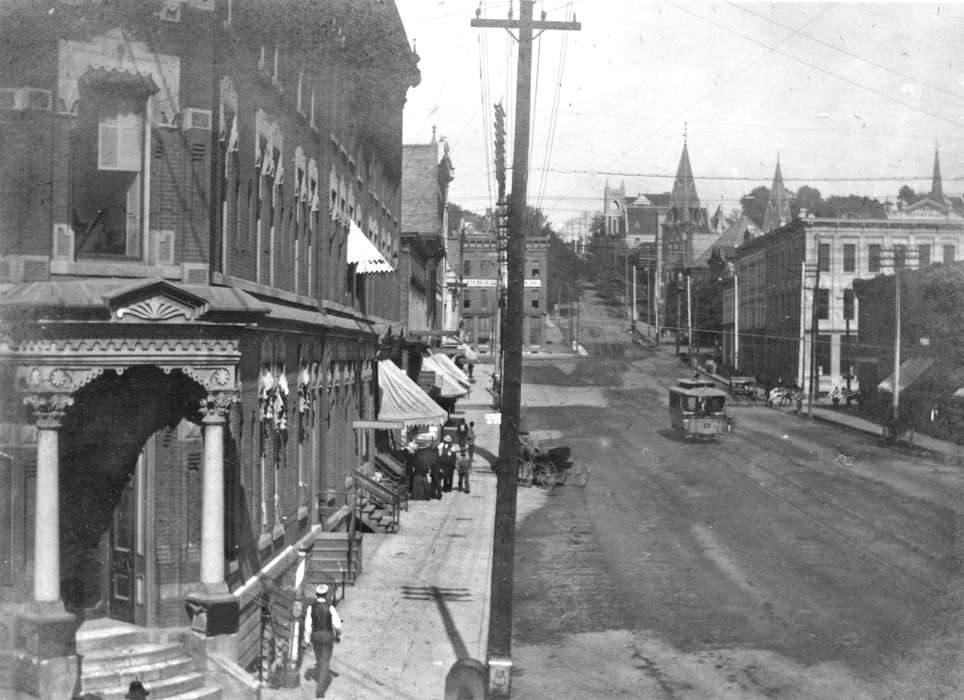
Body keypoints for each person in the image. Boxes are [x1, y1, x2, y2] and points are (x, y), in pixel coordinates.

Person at [303, 584, 343, 698]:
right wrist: (338, 635)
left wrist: (306, 639)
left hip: (315, 637)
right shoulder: (330, 607)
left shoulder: (311, 608)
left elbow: (307, 626)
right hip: (327, 636)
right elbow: (337, 624)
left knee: (319, 659)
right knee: (325, 662)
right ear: (326, 595)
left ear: (316, 595)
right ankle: (320, 689)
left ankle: (320, 677)